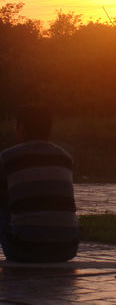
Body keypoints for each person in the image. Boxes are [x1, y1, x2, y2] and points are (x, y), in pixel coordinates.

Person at [0, 105, 79, 262]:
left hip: (23, 249)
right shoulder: (65, 157)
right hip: (68, 248)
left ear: (21, 127)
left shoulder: (7, 157)